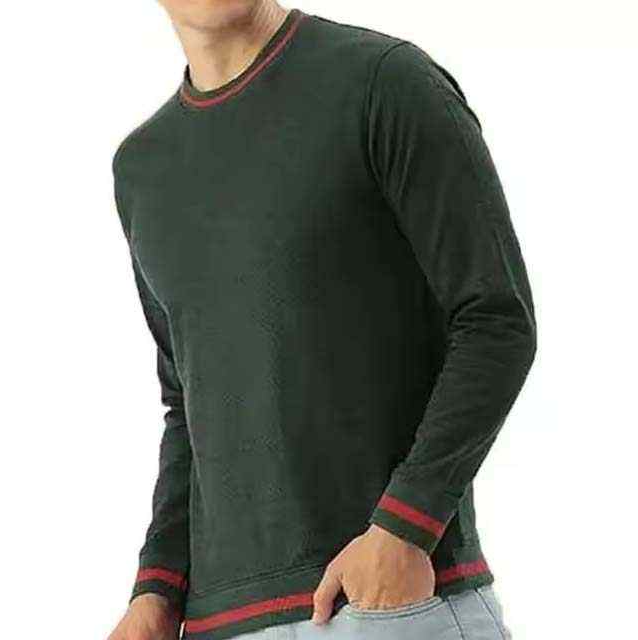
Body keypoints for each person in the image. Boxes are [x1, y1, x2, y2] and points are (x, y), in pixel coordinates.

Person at [108, 2, 536, 639]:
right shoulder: (142, 169)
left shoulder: (384, 83)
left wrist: (406, 526)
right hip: (223, 622)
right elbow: (188, 404)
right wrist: (158, 587)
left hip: (388, 606)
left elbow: (496, 319)